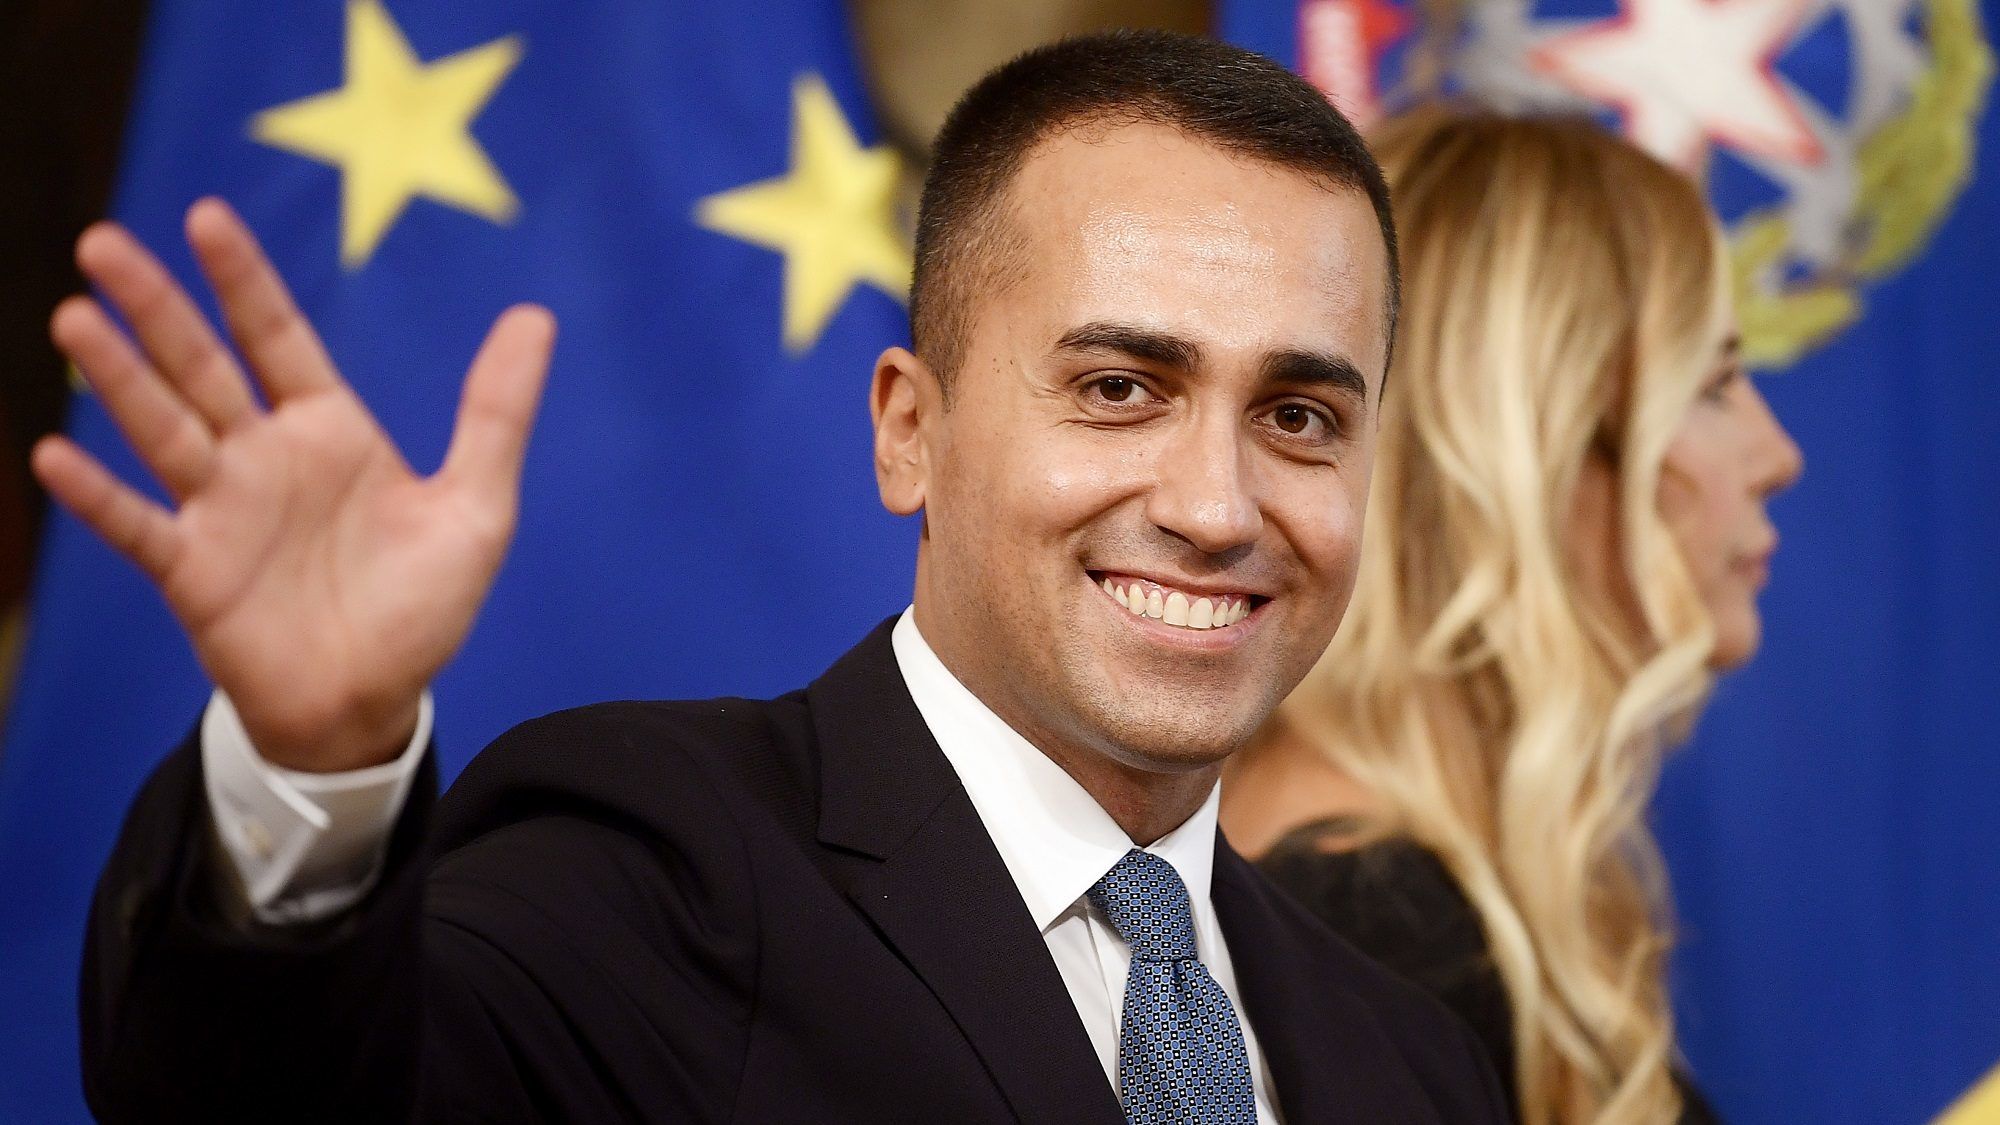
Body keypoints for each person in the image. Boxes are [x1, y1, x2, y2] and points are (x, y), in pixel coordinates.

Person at [43, 32, 1509, 1124]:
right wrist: (313, 764)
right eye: (1120, 389)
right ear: (909, 431)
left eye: (1298, 417)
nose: (1214, 506)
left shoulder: (1413, 1061)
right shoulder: (651, 870)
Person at [1220, 106, 1805, 1125]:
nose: (1777, 455)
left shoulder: (1390, 912)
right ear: (1533, 448)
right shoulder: (1374, 946)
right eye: (1710, 383)